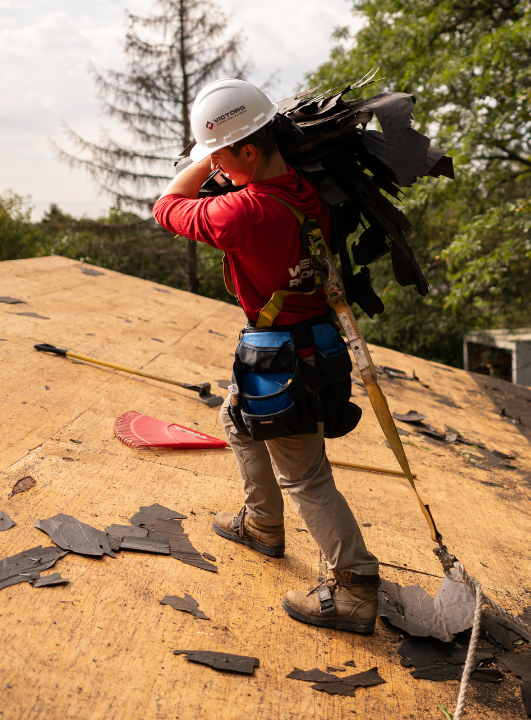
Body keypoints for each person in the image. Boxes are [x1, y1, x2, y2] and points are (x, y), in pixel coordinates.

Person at [153, 78, 379, 634]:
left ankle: (354, 586)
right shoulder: (304, 189)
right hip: (303, 344)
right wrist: (219, 150)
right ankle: (260, 525)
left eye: (222, 157)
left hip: (283, 360)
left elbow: (165, 207)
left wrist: (205, 166)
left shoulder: (243, 214)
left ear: (248, 151)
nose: (217, 169)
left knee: (305, 476)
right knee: (235, 419)